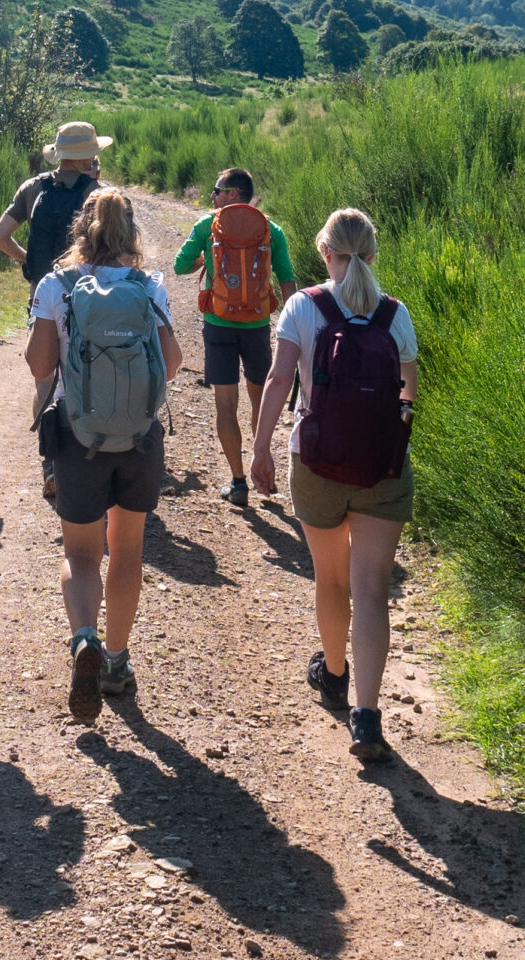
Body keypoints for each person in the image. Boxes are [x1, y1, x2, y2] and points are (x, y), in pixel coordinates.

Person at [248, 209, 417, 763]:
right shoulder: (396, 315)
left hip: (317, 465)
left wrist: (262, 446)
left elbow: (277, 380)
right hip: (381, 470)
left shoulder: (304, 306)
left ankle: (335, 674)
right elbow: (407, 394)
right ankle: (366, 717)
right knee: (372, 592)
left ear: (325, 253)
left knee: (331, 581)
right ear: (372, 254)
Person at [26, 189, 182, 724]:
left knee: (82, 553)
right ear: (131, 233)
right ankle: (116, 662)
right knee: (129, 550)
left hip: (78, 435)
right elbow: (175, 358)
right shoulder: (148, 286)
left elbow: (39, 364)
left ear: (81, 230)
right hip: (138, 438)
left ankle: (83, 639)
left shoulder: (57, 285)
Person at [0, 120, 110, 498]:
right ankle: (90, 456)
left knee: (45, 381)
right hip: (89, 296)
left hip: (43, 295)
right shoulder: (98, 194)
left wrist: (31, 263)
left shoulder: (33, 188)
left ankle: (51, 466)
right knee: (90, 375)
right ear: (90, 155)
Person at [171, 167, 296, 506]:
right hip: (256, 328)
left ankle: (238, 482)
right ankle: (264, 474)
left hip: (219, 324)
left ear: (234, 194)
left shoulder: (206, 226)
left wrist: (203, 260)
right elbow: (286, 279)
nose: (212, 196)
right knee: (260, 403)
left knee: (225, 406)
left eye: (217, 190)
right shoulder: (271, 230)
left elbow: (179, 266)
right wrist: (292, 326)